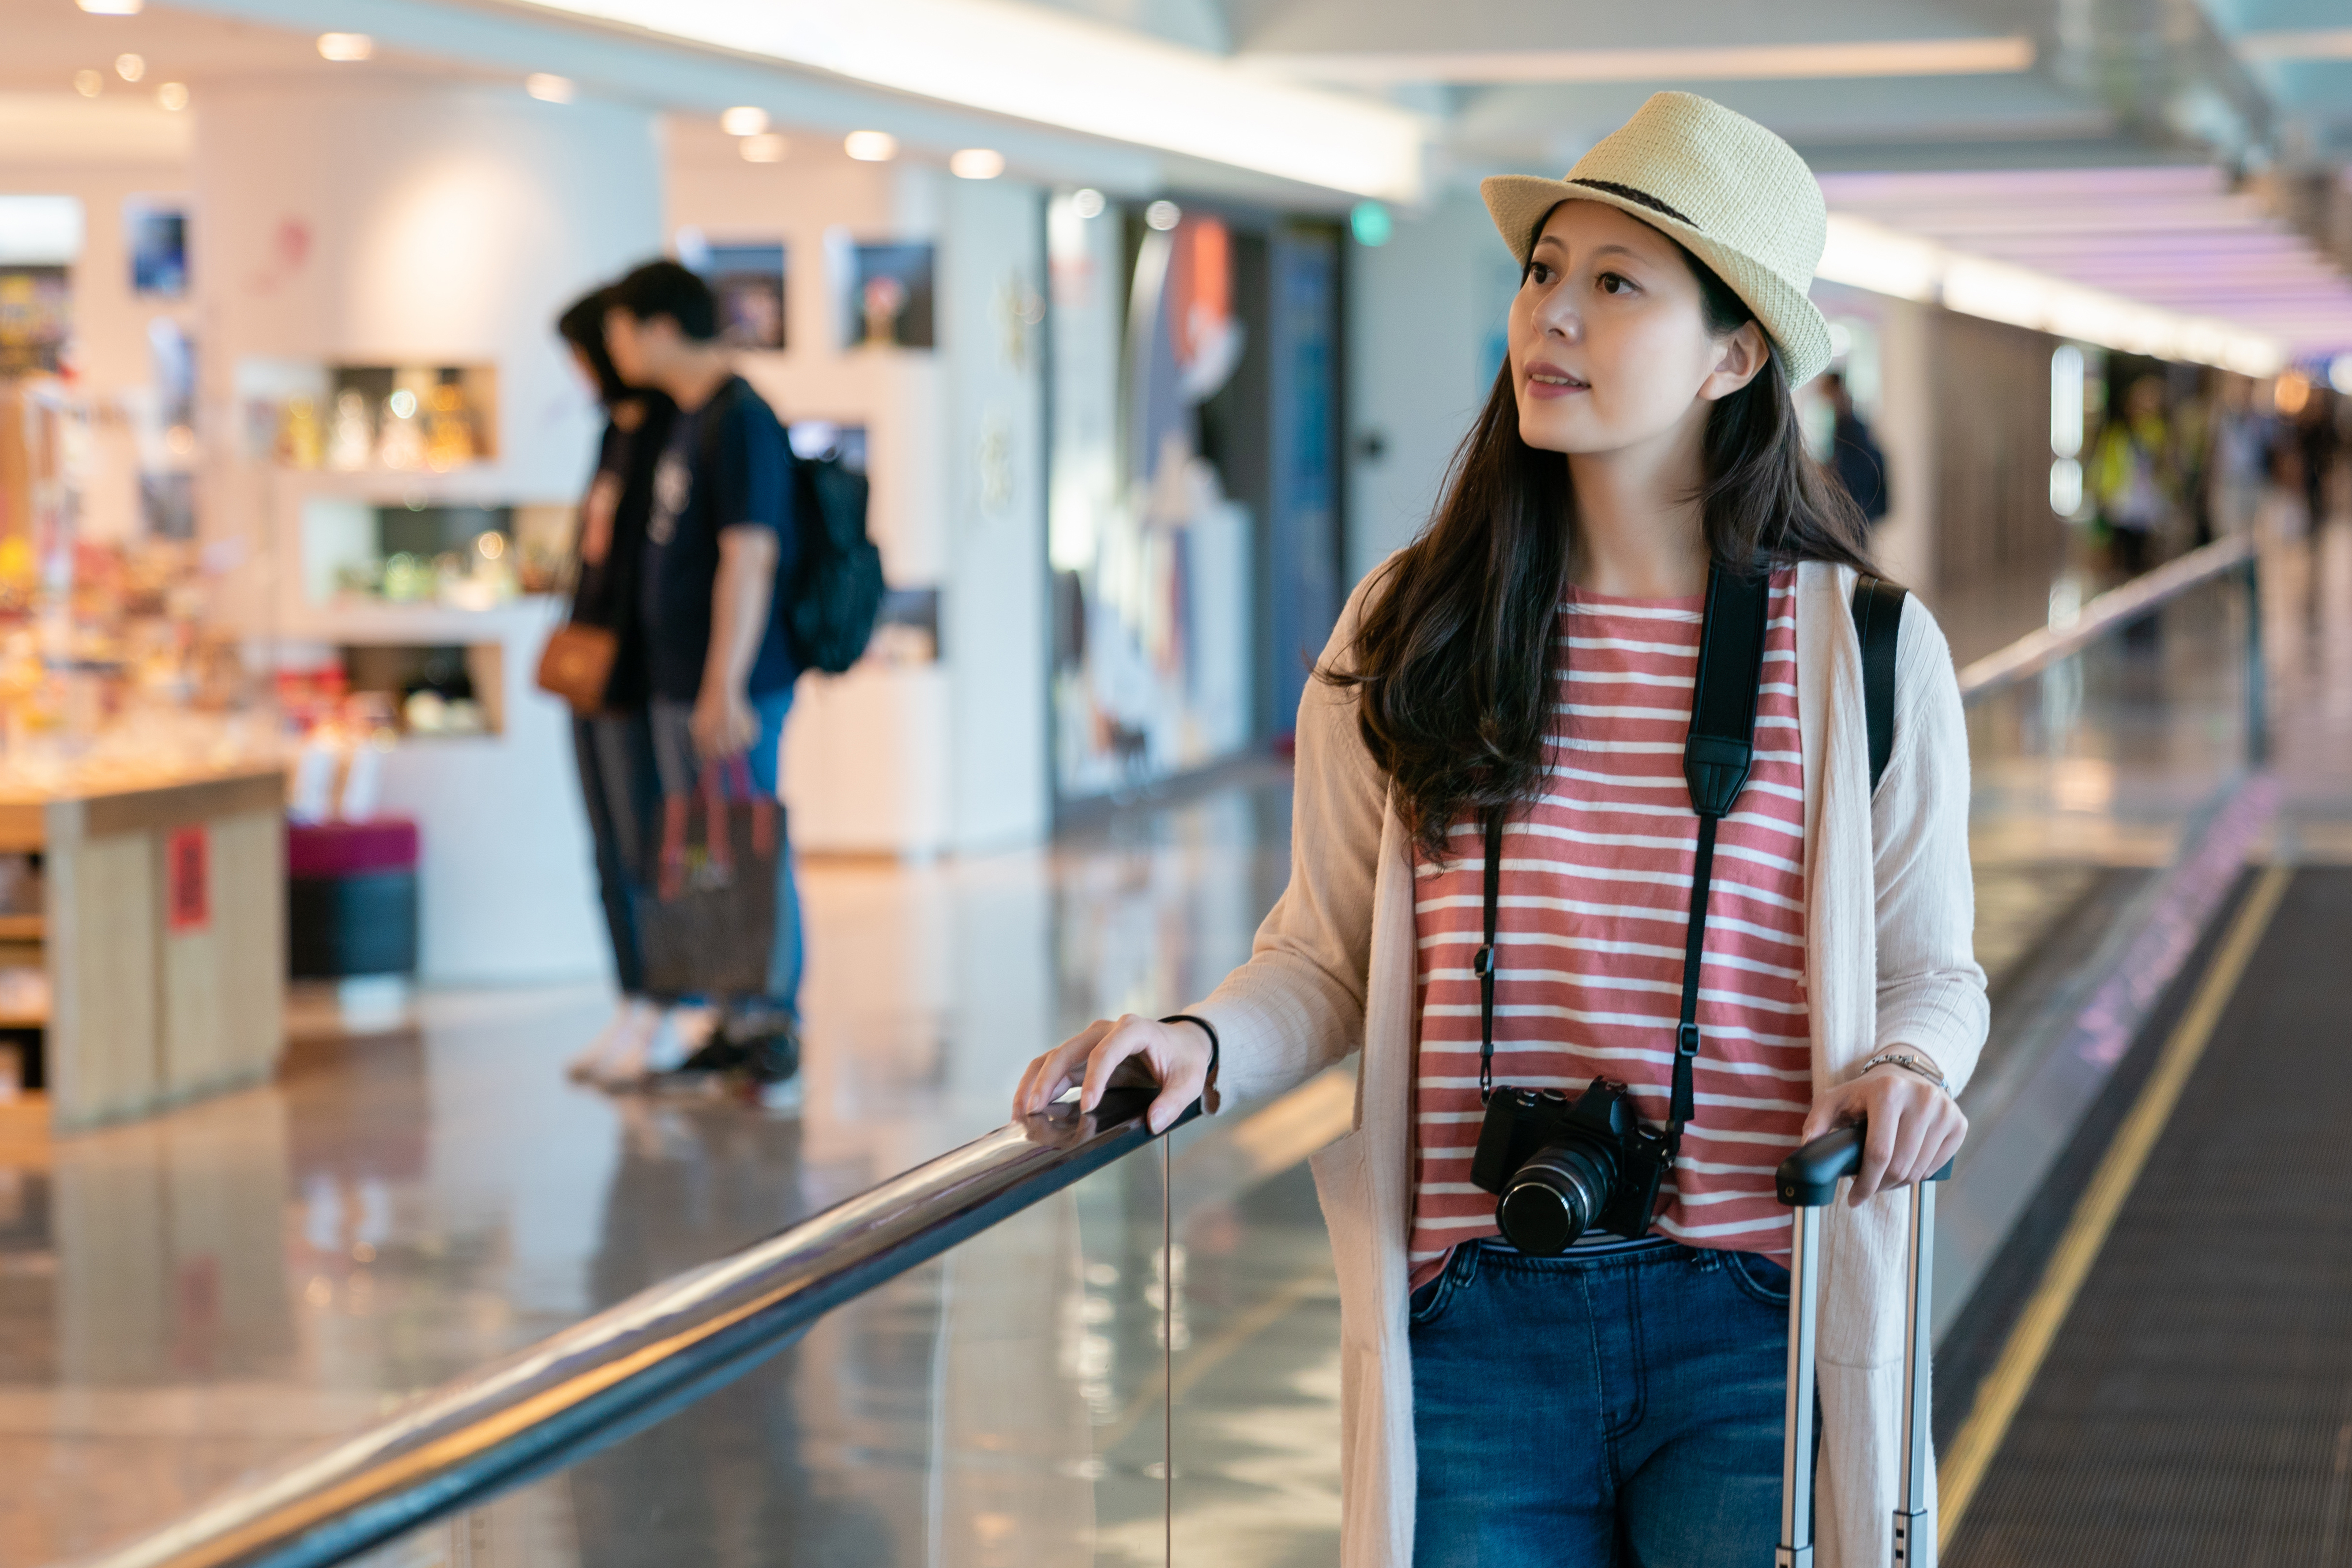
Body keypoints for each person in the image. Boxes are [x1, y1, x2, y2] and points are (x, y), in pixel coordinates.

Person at [1016, 92, 1985, 1568]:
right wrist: (1203, 1041)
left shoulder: (1860, 650)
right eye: (1543, 271)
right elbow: (1327, 955)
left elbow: (1932, 968)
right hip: (1473, 1315)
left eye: (1616, 283)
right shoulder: (1414, 625)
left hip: (1755, 1316)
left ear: (1735, 356)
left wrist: (1910, 1069)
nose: (1556, 316)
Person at [603, 260, 805, 1106]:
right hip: (683, 680)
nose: (615, 349)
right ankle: (727, 1018)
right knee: (704, 851)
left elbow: (749, 554)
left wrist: (723, 680)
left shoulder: (740, 419)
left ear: (655, 327)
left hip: (727, 683)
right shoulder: (688, 417)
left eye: (619, 329)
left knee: (745, 837)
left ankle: (767, 1020)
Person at [554, 286, 676, 1085]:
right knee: (606, 844)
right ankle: (634, 995)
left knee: (647, 843)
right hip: (590, 663)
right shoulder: (615, 431)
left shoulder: (669, 426)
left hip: (640, 670)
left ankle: (669, 999)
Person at [2091, 375, 2173, 576]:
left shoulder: (2158, 432)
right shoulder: (2117, 433)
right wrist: (2102, 493)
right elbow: (2105, 465)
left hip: (2148, 504)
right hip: (2122, 502)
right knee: (2122, 554)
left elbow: (2165, 465)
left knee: (2144, 555)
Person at [1821, 368, 1890, 524]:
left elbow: (1855, 466)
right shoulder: (1844, 420)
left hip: (1857, 505)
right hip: (1857, 506)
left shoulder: (1849, 423)